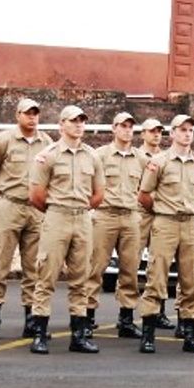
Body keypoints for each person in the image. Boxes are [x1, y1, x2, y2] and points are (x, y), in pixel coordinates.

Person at [28, 105, 106, 354]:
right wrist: (57, 211)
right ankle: (39, 333)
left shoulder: (92, 156)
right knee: (46, 275)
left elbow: (98, 194)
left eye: (82, 120)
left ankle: (79, 335)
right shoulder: (48, 155)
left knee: (81, 278)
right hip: (57, 217)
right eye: (73, 121)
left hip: (82, 218)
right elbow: (36, 195)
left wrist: (80, 209)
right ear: (61, 124)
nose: (79, 125)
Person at [136, 115, 194, 354]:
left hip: (190, 223)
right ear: (172, 133)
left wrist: (189, 210)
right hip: (166, 223)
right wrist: (161, 211)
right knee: (156, 277)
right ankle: (148, 333)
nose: (187, 134)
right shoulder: (159, 162)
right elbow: (144, 194)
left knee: (191, 280)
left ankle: (189, 334)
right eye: (182, 130)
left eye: (190, 130)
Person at [0, 97, 53, 341]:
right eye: (27, 113)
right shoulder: (4, 140)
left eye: (35, 113)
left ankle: (31, 321)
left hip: (35, 209)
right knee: (0, 264)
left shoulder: (47, 142)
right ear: (18, 115)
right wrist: (2, 191)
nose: (32, 117)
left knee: (34, 268)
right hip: (11, 206)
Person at [85, 112, 146, 339]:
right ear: (114, 128)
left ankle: (127, 318)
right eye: (123, 126)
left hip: (130, 216)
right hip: (105, 215)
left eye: (131, 126)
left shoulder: (140, 159)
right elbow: (88, 183)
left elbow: (147, 186)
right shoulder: (100, 155)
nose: (127, 130)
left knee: (130, 269)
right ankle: (87, 316)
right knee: (96, 267)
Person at [136, 118, 174, 331]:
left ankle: (158, 311)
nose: (156, 134)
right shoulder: (136, 156)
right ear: (143, 134)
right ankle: (127, 313)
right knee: (131, 262)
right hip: (143, 212)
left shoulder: (165, 158)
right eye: (151, 131)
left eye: (159, 131)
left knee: (160, 264)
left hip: (161, 214)